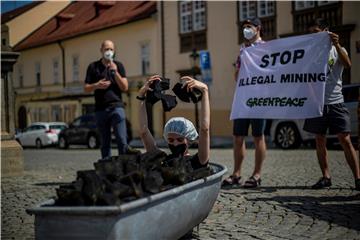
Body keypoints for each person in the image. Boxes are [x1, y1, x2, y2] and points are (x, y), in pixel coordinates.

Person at [303, 19, 360, 190]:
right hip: (317, 103)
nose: (314, 35)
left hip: (336, 101)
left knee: (345, 139)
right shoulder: (310, 53)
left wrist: (336, 44)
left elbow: (348, 64)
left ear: (325, 31)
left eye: (316, 31)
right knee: (319, 140)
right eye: (311, 32)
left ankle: (357, 178)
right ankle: (326, 176)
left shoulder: (338, 50)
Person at [222, 18, 267, 188]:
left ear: (258, 28)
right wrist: (240, 66)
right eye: (244, 27)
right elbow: (236, 77)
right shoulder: (243, 50)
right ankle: (236, 174)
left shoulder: (266, 48)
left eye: (249, 27)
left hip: (259, 100)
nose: (246, 30)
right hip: (243, 99)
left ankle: (256, 174)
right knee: (238, 138)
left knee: (258, 137)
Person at [137, 74, 210, 167]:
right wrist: (141, 96)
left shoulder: (198, 160)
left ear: (189, 139)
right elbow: (143, 131)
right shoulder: (162, 159)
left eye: (180, 139)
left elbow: (205, 129)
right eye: (171, 140)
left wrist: (205, 90)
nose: (175, 144)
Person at [84, 40, 133, 158]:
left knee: (122, 140)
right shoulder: (93, 67)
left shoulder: (119, 66)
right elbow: (86, 88)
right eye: (106, 49)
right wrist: (96, 85)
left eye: (111, 49)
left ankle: (124, 166)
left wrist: (115, 72)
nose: (109, 52)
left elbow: (125, 87)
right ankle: (106, 168)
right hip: (101, 109)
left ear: (114, 51)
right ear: (101, 50)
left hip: (117, 107)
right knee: (105, 143)